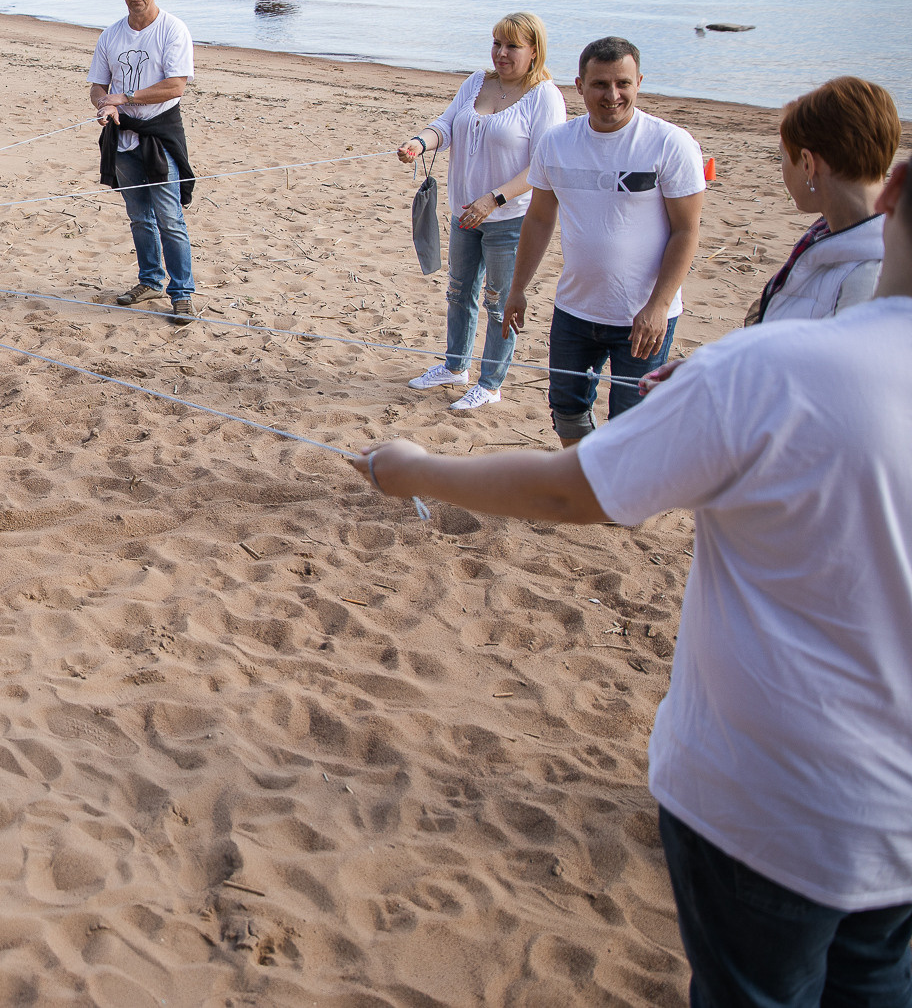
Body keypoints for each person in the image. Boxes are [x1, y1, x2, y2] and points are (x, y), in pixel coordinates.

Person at [354, 157, 912, 1007]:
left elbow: (571, 490)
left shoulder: (771, 367)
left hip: (773, 808)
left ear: (896, 188)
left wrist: (422, 469)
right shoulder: (761, 371)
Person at [501, 37, 703, 444]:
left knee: (633, 421)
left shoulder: (670, 143)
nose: (612, 96)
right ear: (579, 86)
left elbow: (687, 230)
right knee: (567, 409)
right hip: (576, 310)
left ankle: (616, 497)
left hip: (643, 316)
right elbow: (539, 218)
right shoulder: (556, 143)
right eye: (600, 85)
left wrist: (659, 306)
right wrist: (517, 288)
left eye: (623, 84)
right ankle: (588, 487)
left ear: (639, 83)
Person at [397, 12, 569, 411]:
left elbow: (543, 164)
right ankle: (455, 366)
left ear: (534, 51)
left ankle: (491, 382)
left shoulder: (544, 96)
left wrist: (494, 198)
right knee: (459, 292)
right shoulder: (477, 82)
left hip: (509, 220)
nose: (501, 53)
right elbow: (447, 125)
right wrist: (419, 143)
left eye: (512, 46)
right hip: (464, 213)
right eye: (497, 43)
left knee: (499, 300)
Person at [90, 0, 198, 324]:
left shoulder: (173, 29)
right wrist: (106, 106)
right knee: (139, 217)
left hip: (160, 134)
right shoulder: (111, 34)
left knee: (170, 218)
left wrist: (126, 97)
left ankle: (181, 293)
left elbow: (176, 85)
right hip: (122, 138)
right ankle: (150, 280)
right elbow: (98, 87)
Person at [748, 75, 897, 324]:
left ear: (807, 163)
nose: (782, 166)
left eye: (783, 156)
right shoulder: (829, 232)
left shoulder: (870, 279)